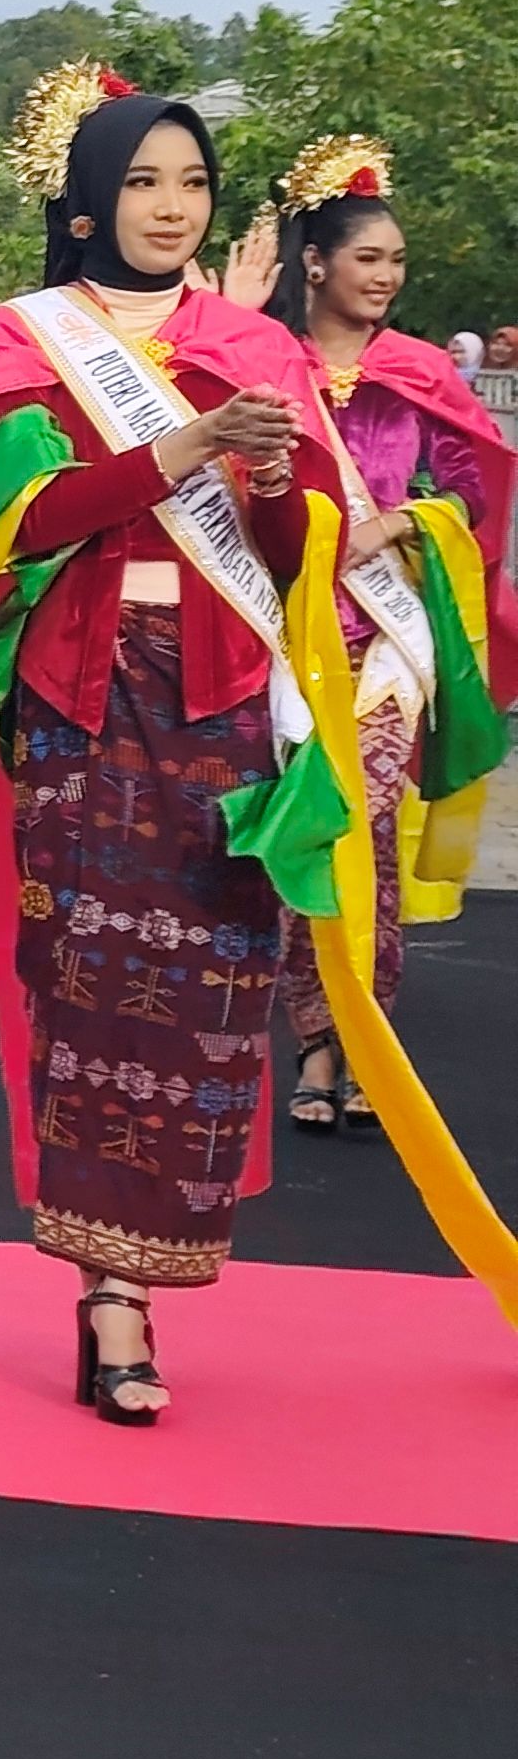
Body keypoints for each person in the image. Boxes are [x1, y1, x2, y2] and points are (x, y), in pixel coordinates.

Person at [0, 67, 329, 1426]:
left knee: (208, 991)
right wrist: (180, 448)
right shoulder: (24, 342)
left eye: (191, 182)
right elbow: (5, 525)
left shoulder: (256, 347)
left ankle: (158, 1263)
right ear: (87, 203)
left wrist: (266, 487)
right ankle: (108, 1298)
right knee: (87, 986)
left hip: (221, 704)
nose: (169, 205)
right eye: (142, 181)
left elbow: (291, 552)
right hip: (84, 701)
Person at [243, 137, 512, 1137]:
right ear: (317, 263)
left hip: (387, 637)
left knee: (374, 828)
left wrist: (403, 521)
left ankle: (364, 1037)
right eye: (369, 259)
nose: (386, 278)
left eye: (397, 263)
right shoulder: (267, 366)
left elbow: (476, 497)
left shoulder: (421, 371)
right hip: (289, 630)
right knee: (311, 823)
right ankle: (313, 1032)